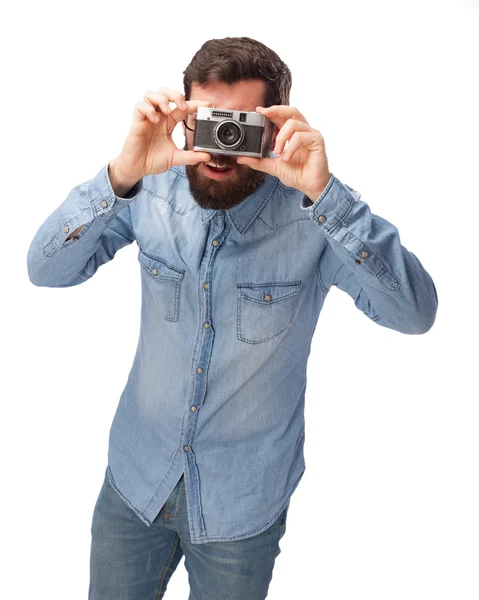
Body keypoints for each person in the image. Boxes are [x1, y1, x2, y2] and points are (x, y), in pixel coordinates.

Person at [26, 36, 438, 600]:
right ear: (184, 115)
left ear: (277, 127)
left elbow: (415, 314)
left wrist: (326, 194)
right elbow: (45, 269)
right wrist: (120, 173)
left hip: (242, 505)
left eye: (240, 126)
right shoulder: (151, 187)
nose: (220, 148)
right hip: (135, 481)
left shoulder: (316, 215)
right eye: (209, 122)